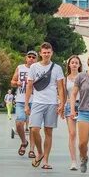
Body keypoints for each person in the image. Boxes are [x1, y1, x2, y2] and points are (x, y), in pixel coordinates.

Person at [25, 42, 66, 170]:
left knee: (48, 131)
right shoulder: (34, 67)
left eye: (48, 52)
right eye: (44, 52)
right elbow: (29, 86)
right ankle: (40, 152)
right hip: (37, 102)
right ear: (40, 53)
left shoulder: (57, 68)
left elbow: (61, 87)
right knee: (34, 129)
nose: (46, 55)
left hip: (52, 103)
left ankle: (46, 160)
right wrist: (26, 104)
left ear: (52, 53)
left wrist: (62, 104)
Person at [11, 51, 38, 158]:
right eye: (29, 57)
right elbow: (12, 81)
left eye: (33, 57)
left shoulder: (38, 68)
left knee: (33, 126)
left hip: (35, 100)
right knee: (19, 123)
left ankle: (31, 149)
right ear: (26, 58)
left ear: (36, 59)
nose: (31, 58)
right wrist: (16, 83)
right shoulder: (20, 68)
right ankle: (23, 141)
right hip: (21, 100)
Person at [64, 55, 82, 170]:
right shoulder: (65, 79)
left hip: (82, 105)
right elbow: (62, 93)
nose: (74, 64)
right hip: (70, 106)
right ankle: (73, 161)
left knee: (83, 135)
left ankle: (83, 156)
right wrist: (62, 105)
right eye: (72, 62)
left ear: (79, 65)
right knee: (72, 134)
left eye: (76, 62)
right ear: (69, 65)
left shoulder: (83, 77)